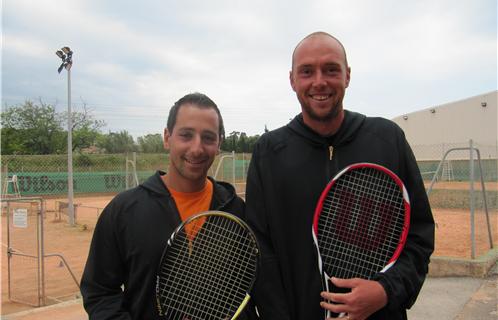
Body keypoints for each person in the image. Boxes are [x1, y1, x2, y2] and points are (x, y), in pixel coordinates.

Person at [245, 32, 435, 320]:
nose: (319, 81)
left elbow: (419, 237)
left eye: (331, 69)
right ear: (293, 80)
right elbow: (260, 251)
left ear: (347, 75)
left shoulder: (387, 139)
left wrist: (386, 290)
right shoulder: (268, 152)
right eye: (307, 71)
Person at [81, 92, 258, 319]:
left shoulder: (236, 211)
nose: (197, 148)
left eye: (208, 137)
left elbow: (249, 292)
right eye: (186, 135)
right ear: (167, 137)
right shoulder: (123, 211)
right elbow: (100, 293)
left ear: (218, 144)